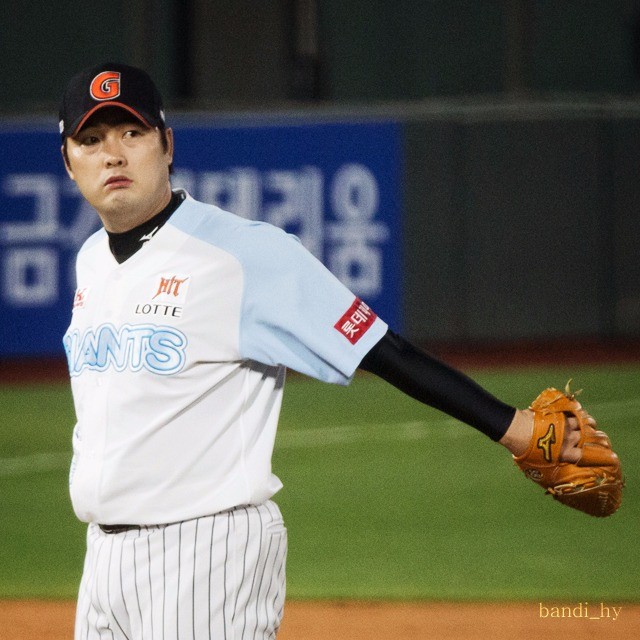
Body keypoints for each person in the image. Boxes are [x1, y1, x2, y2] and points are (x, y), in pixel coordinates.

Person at [59, 62, 582, 640]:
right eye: (91, 139)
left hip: (202, 557)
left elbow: (386, 351)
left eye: (132, 133)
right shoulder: (91, 261)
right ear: (69, 161)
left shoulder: (242, 254)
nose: (113, 155)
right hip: (102, 563)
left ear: (167, 145)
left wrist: (517, 429)